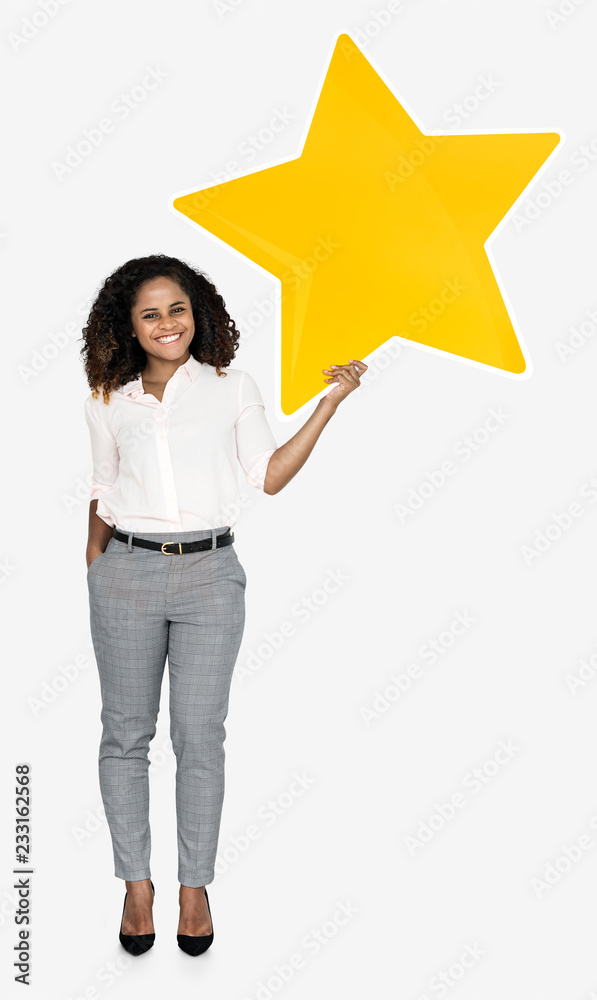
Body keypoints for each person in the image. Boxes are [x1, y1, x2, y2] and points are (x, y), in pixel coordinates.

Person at [80, 253, 366, 956]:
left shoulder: (229, 385)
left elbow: (267, 476)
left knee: (199, 738)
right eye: (150, 313)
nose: (166, 323)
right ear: (129, 325)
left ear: (197, 311)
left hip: (211, 575)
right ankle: (136, 885)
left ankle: (193, 887)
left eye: (176, 308)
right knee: (124, 735)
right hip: (126, 572)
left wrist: (327, 404)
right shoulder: (105, 398)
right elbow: (101, 487)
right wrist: (95, 568)